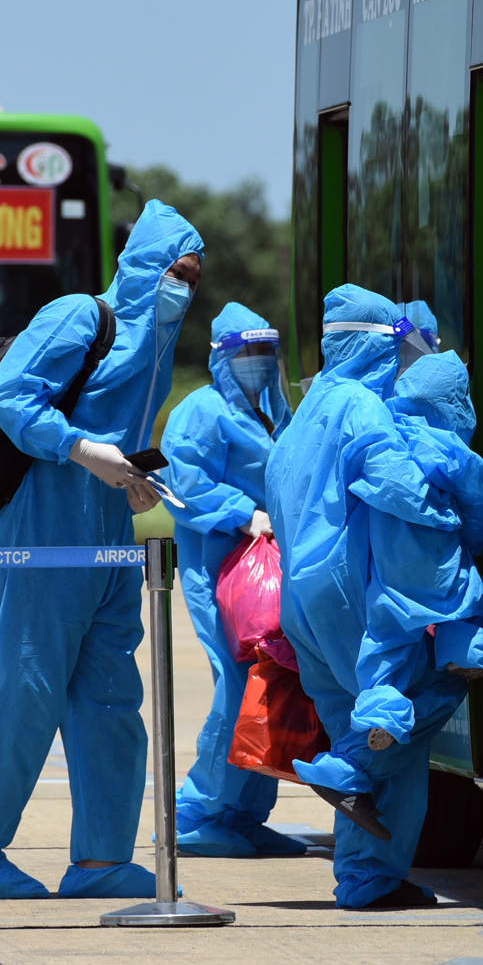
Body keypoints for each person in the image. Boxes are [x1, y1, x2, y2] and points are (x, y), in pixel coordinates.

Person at [0, 200, 203, 900]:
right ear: (145, 264)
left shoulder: (155, 344)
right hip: (41, 531)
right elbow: (16, 401)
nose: (183, 287)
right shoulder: (82, 316)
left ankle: (102, 860)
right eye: (176, 271)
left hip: (107, 535)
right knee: (25, 691)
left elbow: (118, 427)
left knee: (113, 698)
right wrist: (83, 451)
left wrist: (128, 477)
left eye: (194, 278)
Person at [264, 285, 467, 909]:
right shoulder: (358, 404)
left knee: (360, 721)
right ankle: (352, 782)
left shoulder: (306, 409)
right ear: (376, 345)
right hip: (349, 596)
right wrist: (457, 516)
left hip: (300, 605)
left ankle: (362, 878)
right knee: (409, 708)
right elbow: (396, 484)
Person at [291, 350, 483, 804]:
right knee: (472, 620)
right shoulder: (446, 444)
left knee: (386, 650)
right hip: (436, 565)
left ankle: (378, 716)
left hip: (384, 575)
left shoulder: (383, 426)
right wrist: (473, 533)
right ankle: (358, 758)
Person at [162, 302, 309, 859]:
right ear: (223, 356)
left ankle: (245, 814)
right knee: (233, 685)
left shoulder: (276, 407)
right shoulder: (200, 411)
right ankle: (199, 812)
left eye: (265, 352)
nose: (258, 362)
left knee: (266, 681)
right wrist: (242, 514)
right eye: (246, 353)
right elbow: (183, 483)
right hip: (221, 568)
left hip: (270, 569)